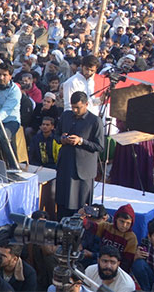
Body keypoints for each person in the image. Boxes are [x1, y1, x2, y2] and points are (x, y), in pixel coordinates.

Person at [55, 91, 103, 219]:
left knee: (81, 205)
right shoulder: (66, 116)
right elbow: (56, 134)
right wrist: (62, 139)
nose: (75, 110)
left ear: (86, 104)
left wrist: (81, 141)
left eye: (78, 107)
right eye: (73, 107)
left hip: (83, 170)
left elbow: (99, 146)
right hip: (66, 165)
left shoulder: (95, 121)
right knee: (62, 202)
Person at [83, 203, 138, 272]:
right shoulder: (106, 227)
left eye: (128, 223)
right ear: (116, 219)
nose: (124, 225)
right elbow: (90, 226)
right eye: (121, 221)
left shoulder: (131, 238)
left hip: (116, 267)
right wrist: (82, 216)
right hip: (98, 259)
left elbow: (127, 261)